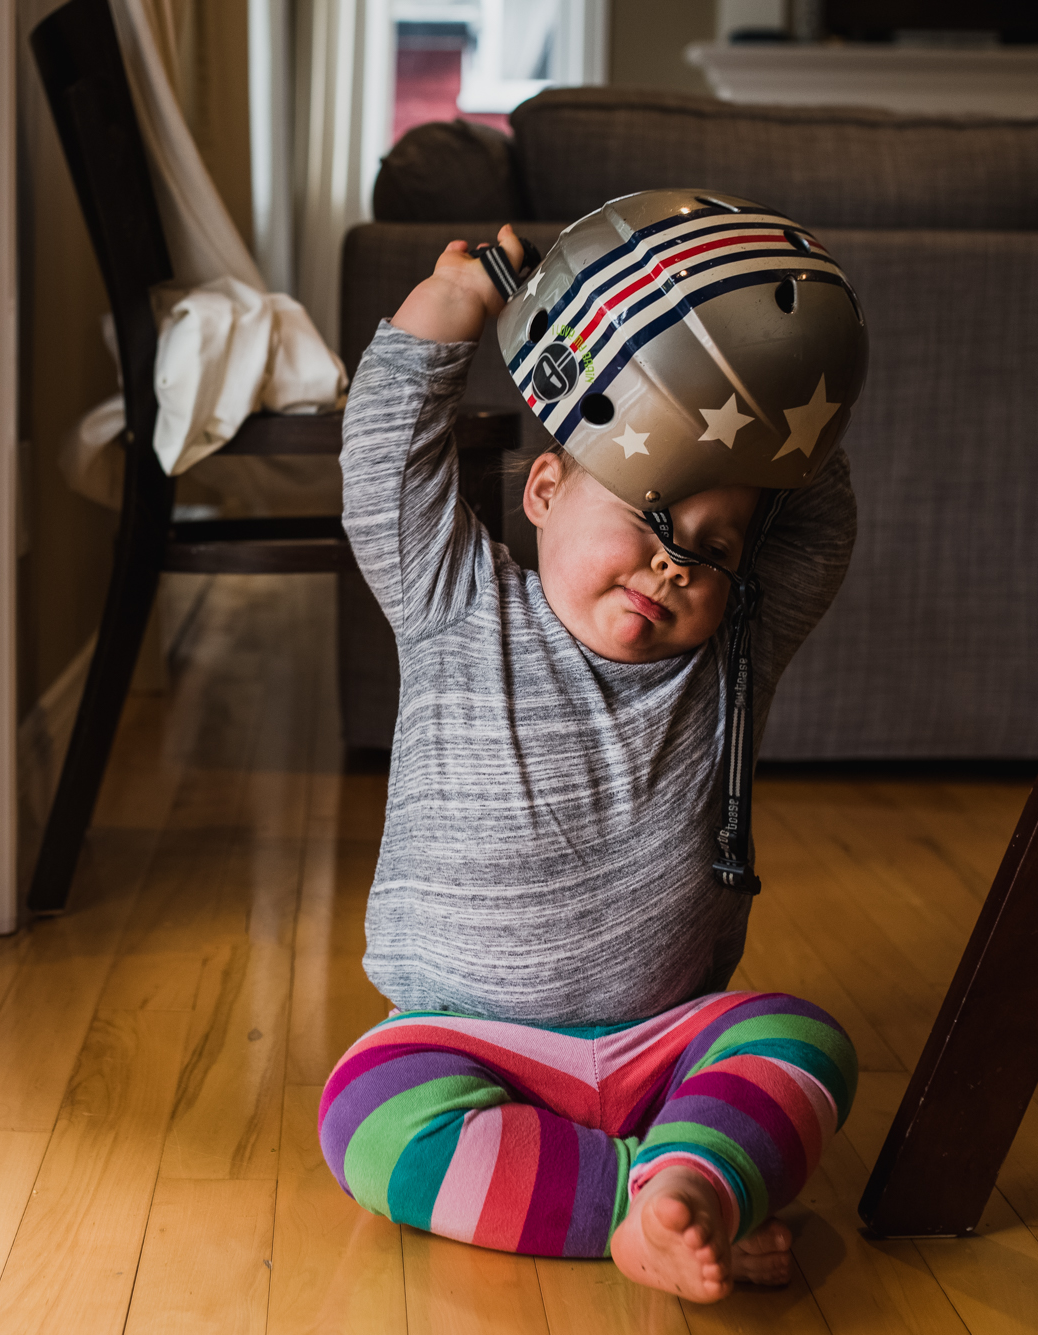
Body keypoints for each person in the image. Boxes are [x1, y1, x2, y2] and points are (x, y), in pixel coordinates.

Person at [320, 190, 867, 1303]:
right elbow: (385, 461)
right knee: (364, 1119)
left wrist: (748, 382)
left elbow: (812, 518)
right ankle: (656, 1201)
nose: (677, 562)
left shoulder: (733, 656)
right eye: (654, 512)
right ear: (543, 487)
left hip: (661, 1041)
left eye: (712, 550)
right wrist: (453, 300)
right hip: (456, 1043)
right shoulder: (454, 603)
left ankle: (675, 1180)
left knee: (801, 1042)